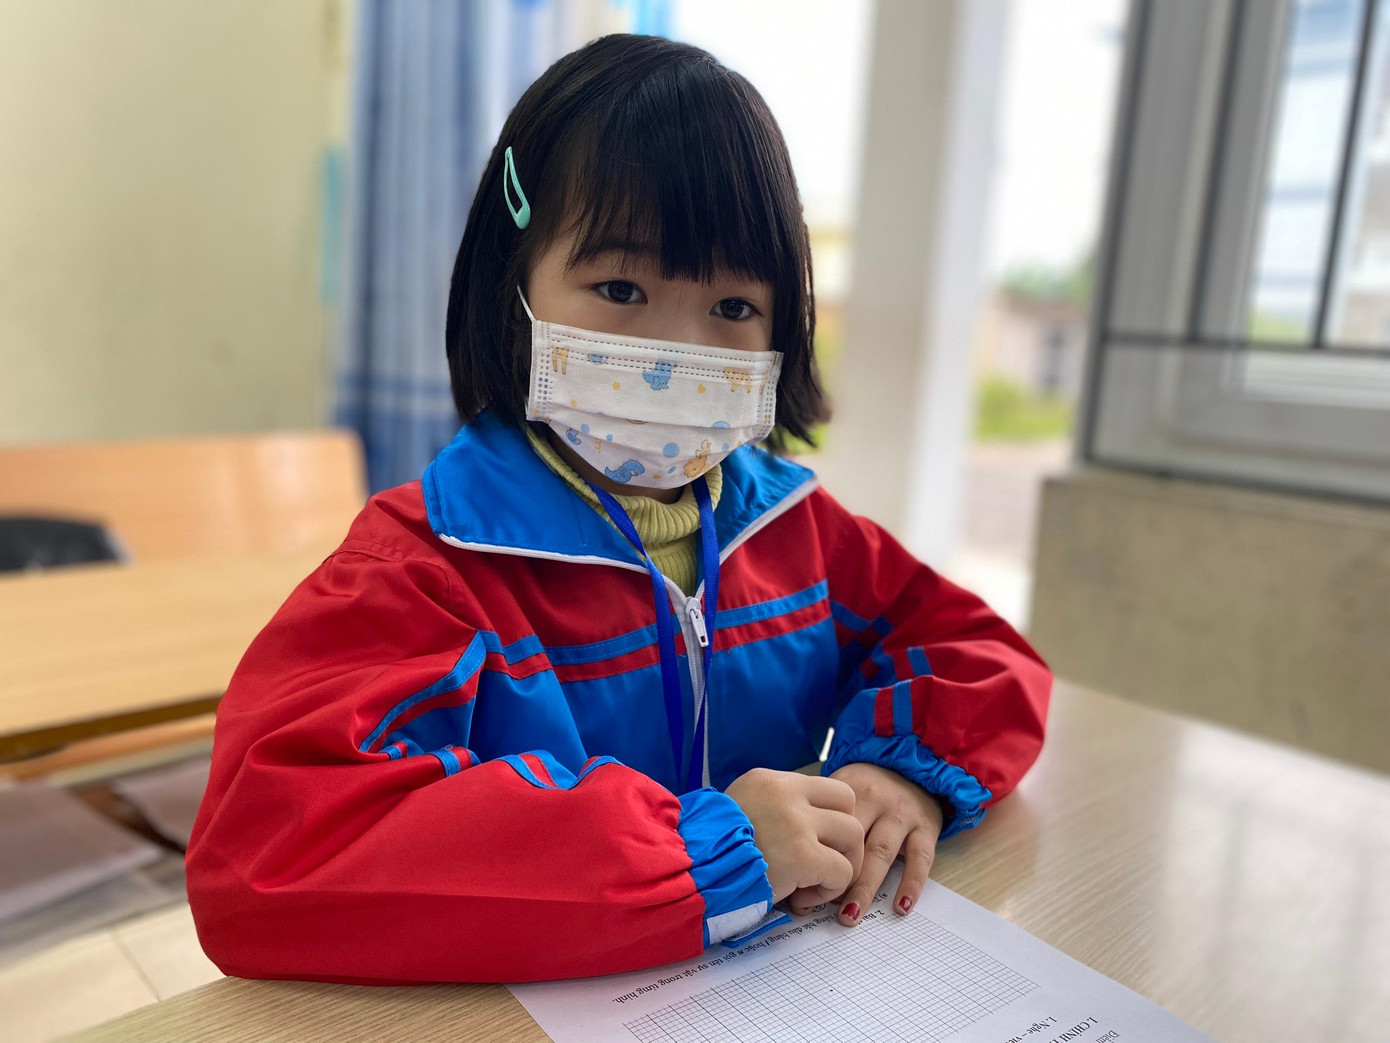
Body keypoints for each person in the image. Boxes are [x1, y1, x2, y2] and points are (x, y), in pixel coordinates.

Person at [186, 33, 1052, 986]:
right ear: (512, 283)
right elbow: (268, 849)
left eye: (734, 307)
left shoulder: (799, 531)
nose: (677, 351)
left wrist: (902, 770)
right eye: (620, 288)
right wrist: (703, 853)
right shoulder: (425, 569)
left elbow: (976, 652)